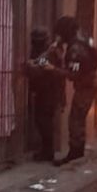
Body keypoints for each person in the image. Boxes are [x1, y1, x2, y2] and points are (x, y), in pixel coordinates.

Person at [53, 15, 97, 164]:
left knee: (75, 120)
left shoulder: (75, 48)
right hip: (88, 85)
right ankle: (77, 152)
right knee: (77, 119)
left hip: (85, 88)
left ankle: (75, 153)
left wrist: (54, 69)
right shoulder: (82, 42)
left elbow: (73, 74)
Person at [26, 28, 65, 163]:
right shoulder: (47, 51)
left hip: (49, 92)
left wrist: (29, 66)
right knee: (42, 121)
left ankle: (48, 151)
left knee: (44, 122)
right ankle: (46, 150)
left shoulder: (50, 53)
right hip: (44, 91)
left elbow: (41, 67)